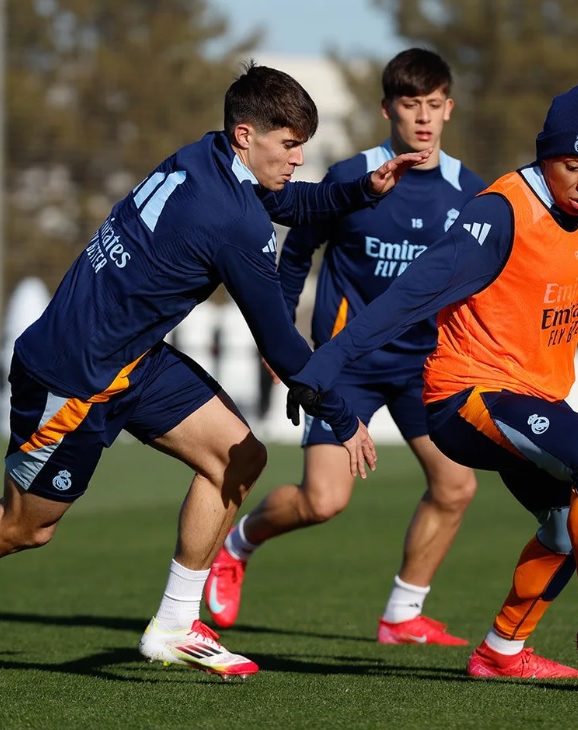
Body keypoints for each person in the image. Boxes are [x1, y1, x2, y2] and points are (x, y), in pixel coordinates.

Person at [0, 61, 431, 681]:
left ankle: (175, 626)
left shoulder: (203, 155)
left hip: (131, 358)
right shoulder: (232, 222)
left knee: (237, 457)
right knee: (25, 525)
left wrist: (359, 190)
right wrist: (343, 418)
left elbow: (289, 199)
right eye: (289, 146)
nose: (296, 160)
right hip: (74, 375)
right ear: (244, 135)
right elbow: (283, 348)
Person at [284, 79, 578, 686]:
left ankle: (500, 651)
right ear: (545, 156)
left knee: (565, 525)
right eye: (574, 166)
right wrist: (325, 366)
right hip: (462, 398)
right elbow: (409, 296)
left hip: (530, 397)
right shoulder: (500, 213)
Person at [205, 49, 485, 646]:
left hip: (424, 367)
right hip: (348, 365)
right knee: (323, 500)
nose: (423, 119)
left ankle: (403, 615)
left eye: (434, 105)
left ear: (449, 109)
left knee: (456, 485)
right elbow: (295, 255)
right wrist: (283, 340)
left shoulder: (471, 194)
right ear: (387, 109)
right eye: (411, 105)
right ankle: (238, 543)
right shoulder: (352, 177)